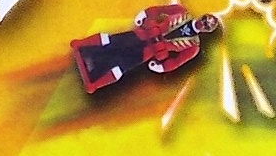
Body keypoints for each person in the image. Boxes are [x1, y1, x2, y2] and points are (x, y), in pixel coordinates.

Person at [72, 5, 221, 93]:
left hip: (149, 52)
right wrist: (145, 14)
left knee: (123, 65)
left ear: (207, 31)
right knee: (113, 41)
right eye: (205, 20)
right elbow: (160, 10)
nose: (203, 24)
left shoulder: (193, 46)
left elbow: (176, 62)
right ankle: (81, 45)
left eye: (207, 26)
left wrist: (162, 67)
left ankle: (95, 84)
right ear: (202, 16)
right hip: (143, 35)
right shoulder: (181, 11)